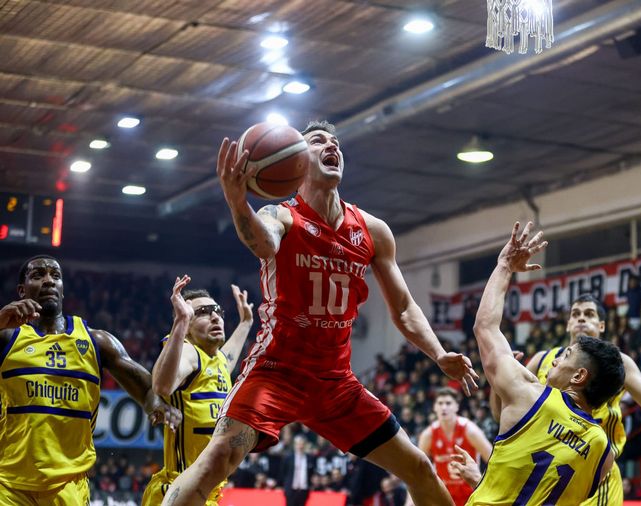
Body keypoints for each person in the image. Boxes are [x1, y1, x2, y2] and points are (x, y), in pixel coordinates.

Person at [162, 121, 478, 506]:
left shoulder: (373, 230)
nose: (332, 146)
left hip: (336, 384)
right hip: (277, 372)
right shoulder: (281, 216)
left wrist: (439, 353)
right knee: (216, 460)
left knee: (419, 467)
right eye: (318, 142)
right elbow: (261, 244)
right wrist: (235, 198)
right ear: (295, 160)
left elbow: (405, 308)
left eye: (336, 142)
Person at [0, 255, 181, 504]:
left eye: (56, 275)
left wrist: (157, 406)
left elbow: (147, 389)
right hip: (9, 485)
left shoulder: (97, 341)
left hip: (68, 488)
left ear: (63, 289)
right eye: (38, 275)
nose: (49, 281)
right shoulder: (7, 337)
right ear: (22, 290)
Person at [464, 222, 623, 505]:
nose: (556, 360)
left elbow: (485, 327)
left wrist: (504, 266)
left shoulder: (529, 393)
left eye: (565, 356)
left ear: (579, 376)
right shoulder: (603, 452)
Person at [523, 285, 641, 506]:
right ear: (568, 323)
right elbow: (504, 411)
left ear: (601, 325)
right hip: (545, 469)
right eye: (575, 314)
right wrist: (499, 387)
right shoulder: (542, 359)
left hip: (596, 471)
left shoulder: (618, 362)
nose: (581, 319)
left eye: (589, 314)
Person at [142, 276, 255, 505]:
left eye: (217, 310)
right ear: (188, 328)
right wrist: (180, 323)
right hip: (181, 490)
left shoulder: (218, 361)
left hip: (207, 493)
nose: (215, 316)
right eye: (202, 312)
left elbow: (230, 354)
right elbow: (162, 385)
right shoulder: (188, 353)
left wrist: (245, 323)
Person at [418, 387, 492, 506]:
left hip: (472, 495)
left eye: (448, 403)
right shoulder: (428, 435)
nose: (444, 407)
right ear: (434, 407)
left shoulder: (470, 430)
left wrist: (489, 490)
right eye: (440, 403)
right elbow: (417, 471)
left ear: (456, 406)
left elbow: (492, 460)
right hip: (444, 498)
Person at [280, 435, 315, 506]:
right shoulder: (288, 458)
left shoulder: (310, 458)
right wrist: (283, 486)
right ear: (295, 445)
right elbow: (283, 472)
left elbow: (311, 473)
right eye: (298, 444)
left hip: (304, 490)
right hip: (291, 490)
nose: (300, 446)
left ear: (305, 445)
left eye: (302, 444)